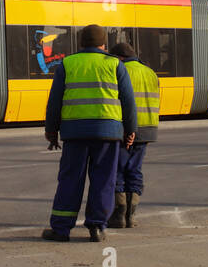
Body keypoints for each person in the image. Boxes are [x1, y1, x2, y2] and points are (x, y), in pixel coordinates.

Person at [42, 23, 137, 243]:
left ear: (81, 43)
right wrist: (131, 130)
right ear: (104, 44)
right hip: (108, 133)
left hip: (74, 133)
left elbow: (54, 101)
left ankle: (61, 229)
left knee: (69, 180)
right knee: (104, 180)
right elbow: (128, 101)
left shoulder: (68, 63)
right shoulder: (114, 64)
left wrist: (51, 130)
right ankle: (97, 227)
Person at [107, 42, 159, 228]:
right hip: (147, 128)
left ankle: (119, 212)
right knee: (135, 170)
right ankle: (131, 215)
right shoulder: (150, 72)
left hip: (125, 128)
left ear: (119, 58)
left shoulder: (119, 71)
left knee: (119, 169)